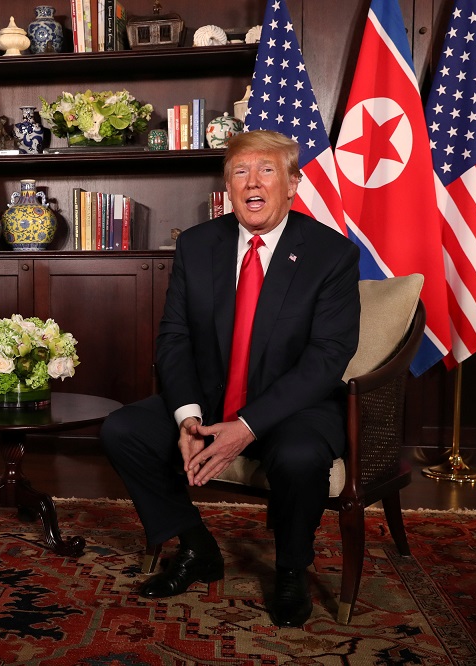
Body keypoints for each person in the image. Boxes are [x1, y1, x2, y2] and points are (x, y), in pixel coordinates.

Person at [101, 130, 360, 627]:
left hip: (295, 408)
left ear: (293, 184)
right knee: (123, 430)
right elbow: (173, 336)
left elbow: (327, 358)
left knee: (301, 454)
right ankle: (197, 547)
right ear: (227, 187)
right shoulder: (199, 245)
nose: (252, 182)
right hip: (212, 399)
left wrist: (248, 425)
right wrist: (188, 416)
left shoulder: (331, 255)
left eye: (266, 170)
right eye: (240, 172)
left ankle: (290, 569)